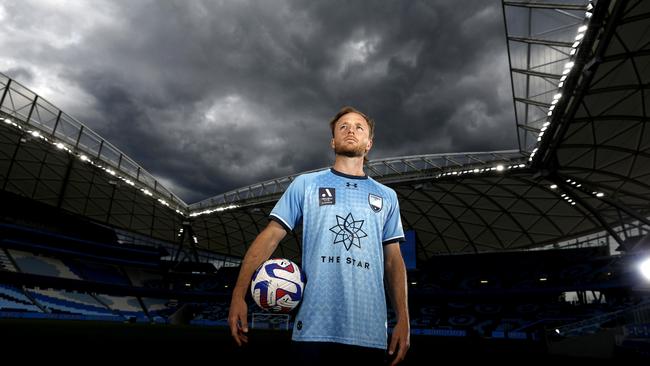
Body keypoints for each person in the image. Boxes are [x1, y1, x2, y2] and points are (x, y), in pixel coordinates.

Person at [228, 106, 410, 365]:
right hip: (313, 328)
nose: (351, 130)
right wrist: (238, 294)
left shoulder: (387, 196)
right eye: (343, 126)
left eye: (359, 127)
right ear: (333, 140)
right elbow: (270, 237)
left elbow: (393, 260)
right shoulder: (306, 184)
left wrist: (404, 318)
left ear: (369, 143)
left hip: (369, 333)